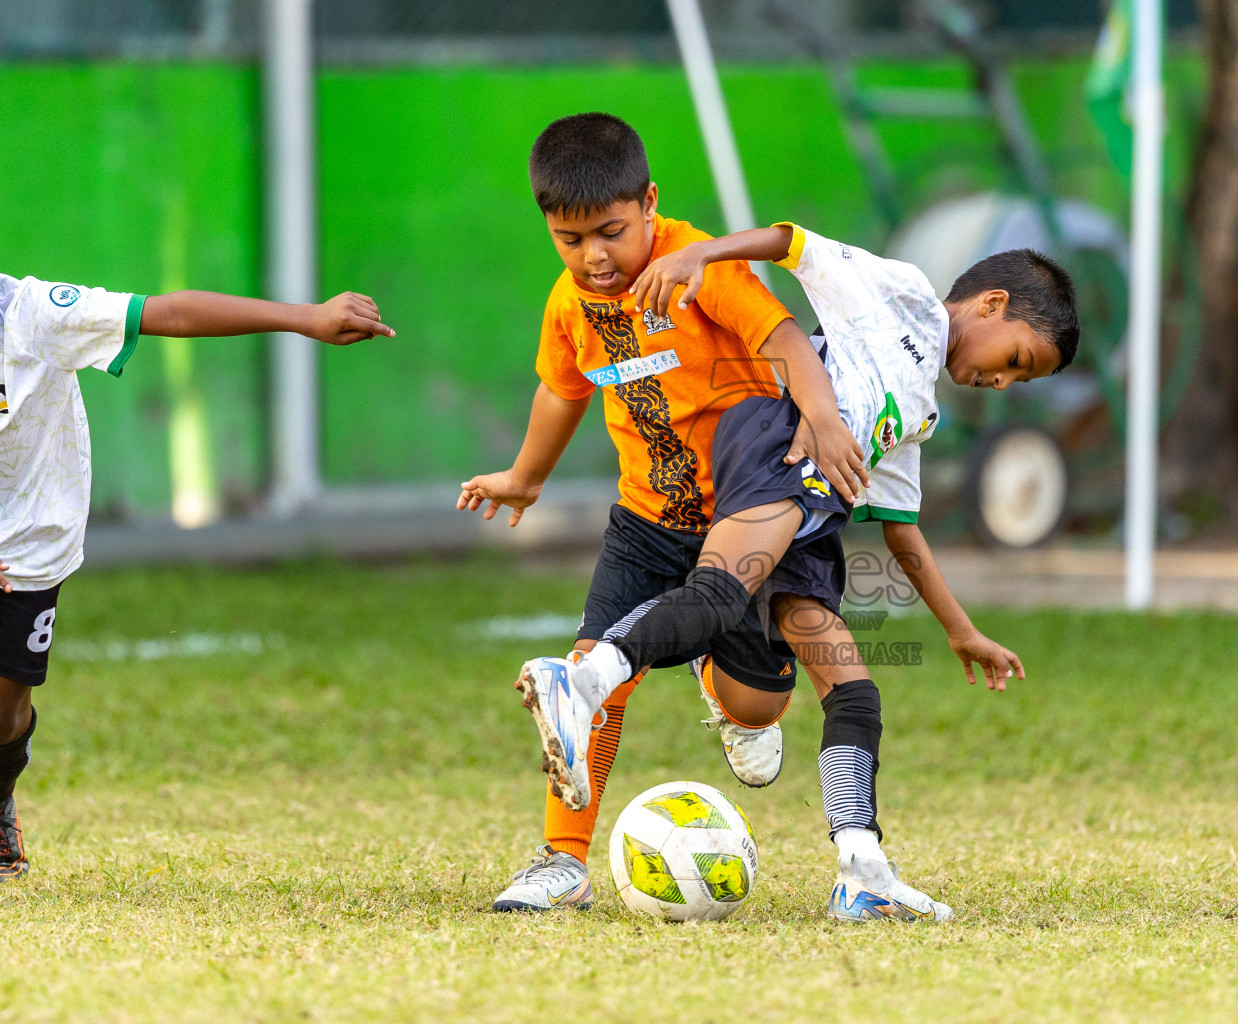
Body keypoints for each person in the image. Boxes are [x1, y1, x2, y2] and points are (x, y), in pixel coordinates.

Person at [518, 220, 1078, 921]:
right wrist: (700, 253)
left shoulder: (921, 414)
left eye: (1019, 378)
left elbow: (900, 528)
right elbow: (791, 241)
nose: (1003, 381)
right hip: (780, 439)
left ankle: (862, 872)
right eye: (1019, 360)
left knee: (852, 688)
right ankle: (585, 681)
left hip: (819, 522)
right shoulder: (903, 294)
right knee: (718, 593)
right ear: (992, 305)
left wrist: (962, 631)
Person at [455, 113, 865, 912]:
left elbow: (783, 337)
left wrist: (820, 416)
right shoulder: (569, 303)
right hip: (645, 522)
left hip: (745, 521)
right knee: (589, 676)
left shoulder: (695, 264)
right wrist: (524, 477)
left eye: (610, 232)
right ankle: (561, 860)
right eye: (569, 240)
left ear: (648, 203)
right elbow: (560, 388)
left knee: (758, 703)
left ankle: (721, 678)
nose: (593, 257)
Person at [0, 278, 393, 880]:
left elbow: (173, 312)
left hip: (26, 538)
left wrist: (306, 317)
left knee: (5, 710)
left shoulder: (31, 313)